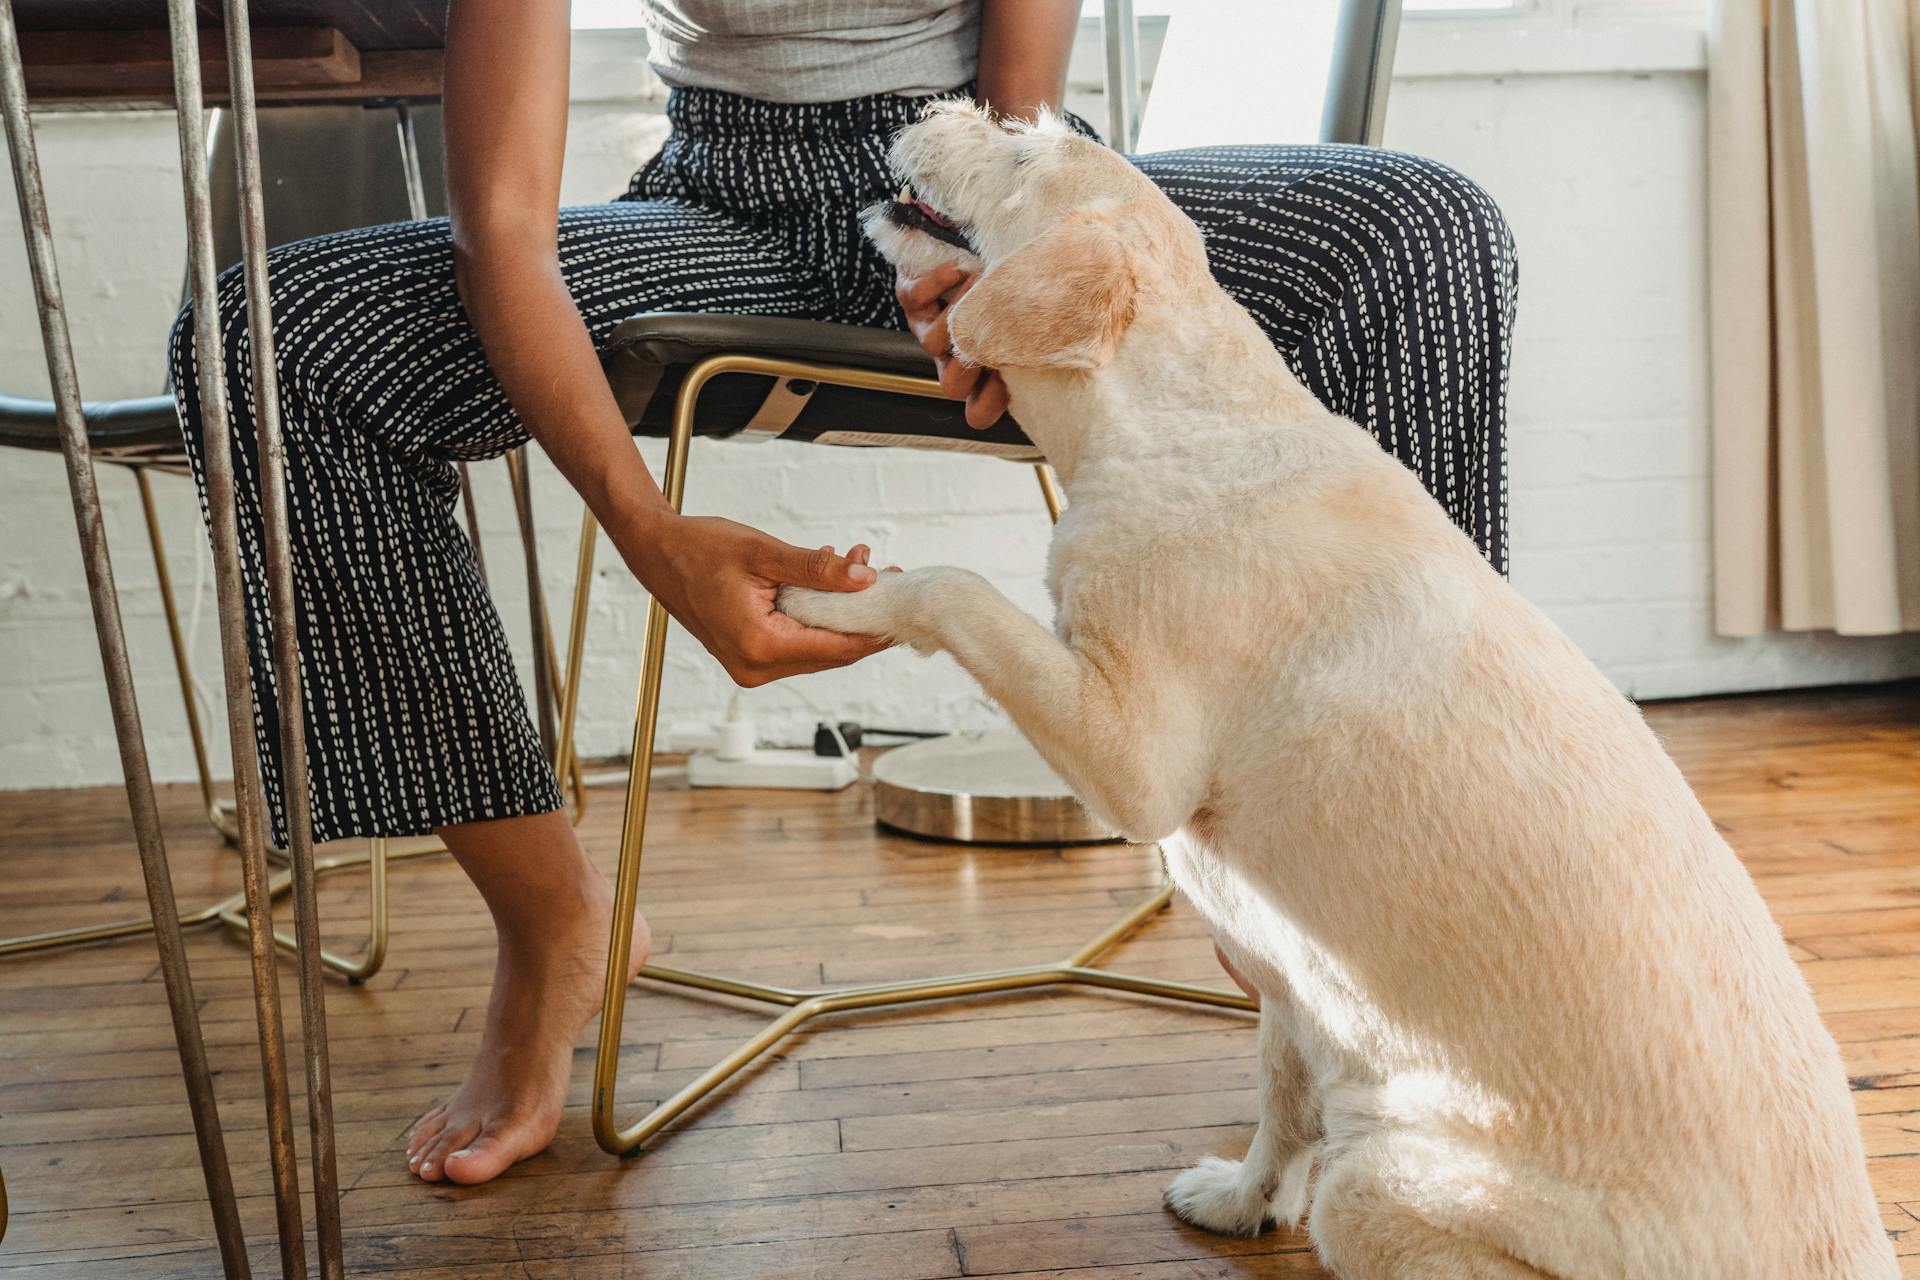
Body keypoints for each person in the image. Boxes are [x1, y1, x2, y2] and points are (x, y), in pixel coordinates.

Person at [171, 0, 1516, 1187]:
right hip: (716, 203)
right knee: (273, 344)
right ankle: (553, 922)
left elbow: (1012, 108)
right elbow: (504, 228)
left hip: (980, 169)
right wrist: (647, 533)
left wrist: (978, 240)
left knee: (1423, 236)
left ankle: (1378, 901)